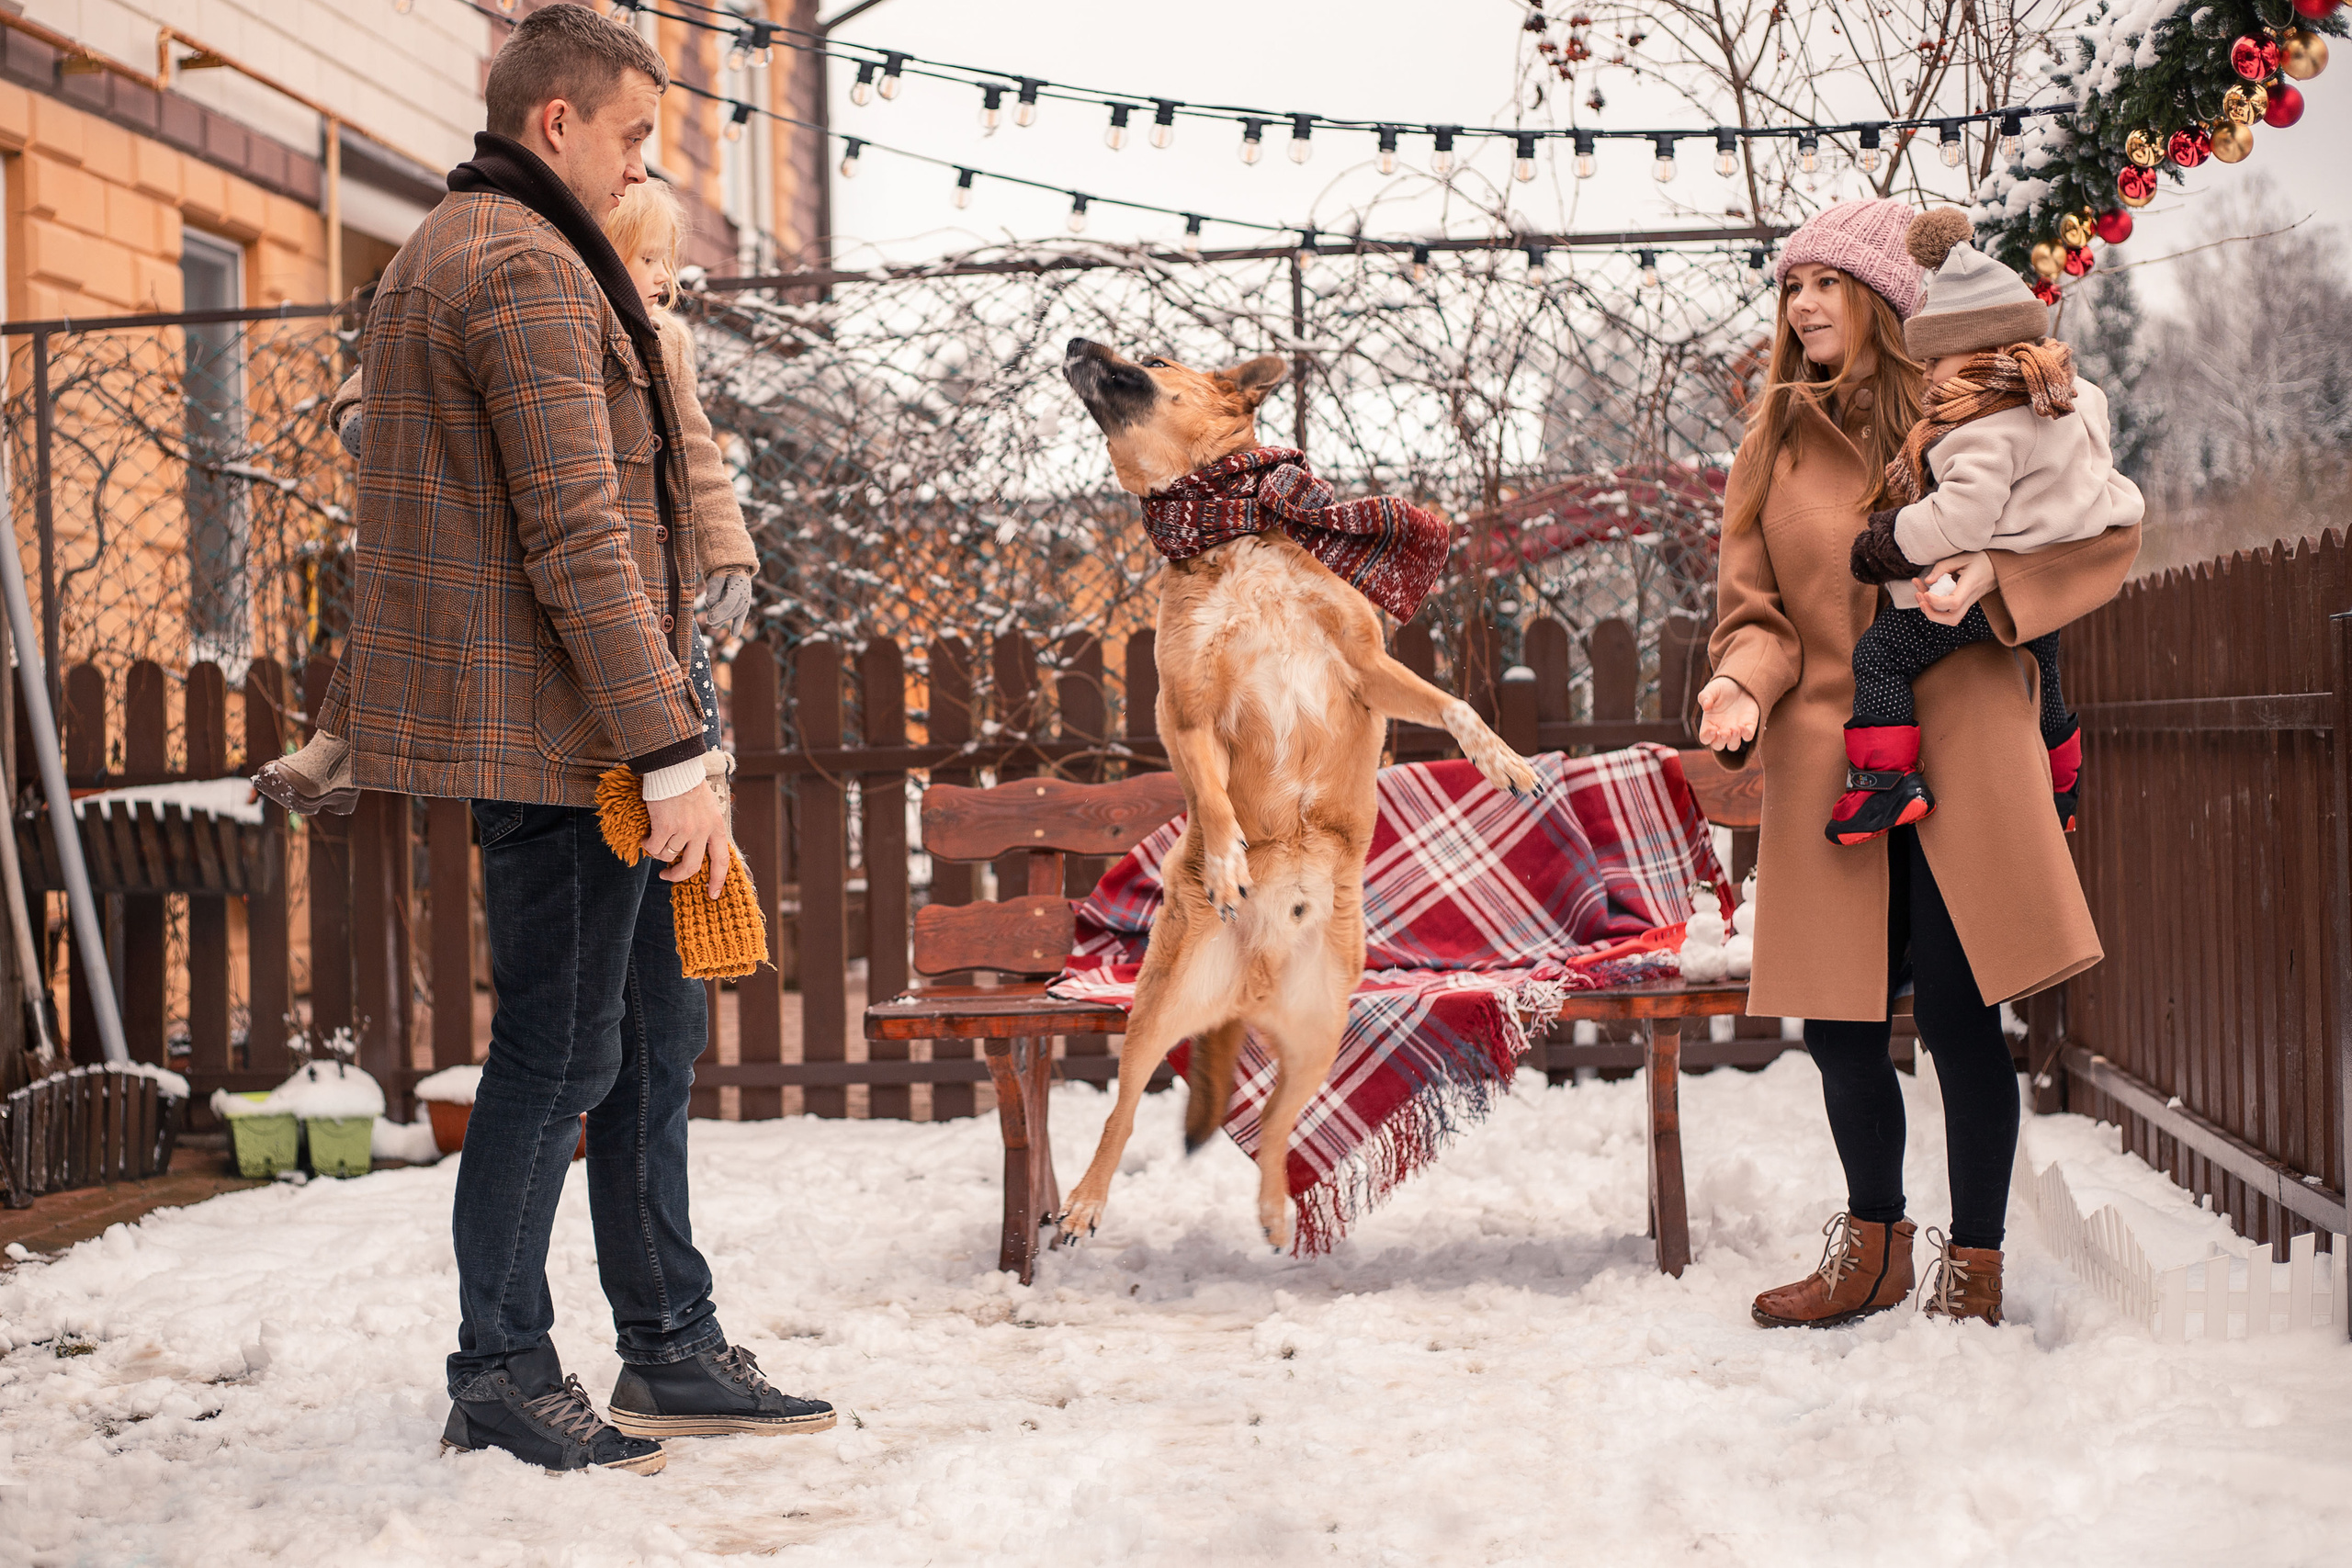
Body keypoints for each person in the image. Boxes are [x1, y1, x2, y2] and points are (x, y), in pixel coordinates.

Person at [290, 4, 830, 1474]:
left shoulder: (484, 249)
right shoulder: (519, 265)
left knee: (651, 1034)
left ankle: (665, 1338)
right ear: (556, 125)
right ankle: (504, 1367)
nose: (642, 163)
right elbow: (579, 536)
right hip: (568, 737)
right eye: (635, 135)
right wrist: (674, 752)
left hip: (581, 718)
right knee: (561, 1047)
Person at [1692, 197, 2140, 1329]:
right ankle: (1870, 1248)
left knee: (1954, 1014)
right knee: (1839, 1020)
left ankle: (1973, 1268)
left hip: (1966, 738)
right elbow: (1756, 613)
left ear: (1889, 299)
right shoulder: (1771, 448)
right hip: (1830, 760)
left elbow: (2104, 535)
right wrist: (1740, 680)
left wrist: (1993, 579)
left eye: (1825, 284)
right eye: (1790, 287)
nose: (1802, 307)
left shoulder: (1976, 408)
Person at [260, 179, 756, 812]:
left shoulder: (663, 347)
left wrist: (726, 554)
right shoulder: (534, 308)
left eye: (666, 257)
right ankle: (344, 742)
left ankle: (705, 790)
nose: (665, 275)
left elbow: (699, 455)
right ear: (599, 253)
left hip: (646, 576)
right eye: (647, 256)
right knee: (412, 589)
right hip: (538, 563)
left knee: (683, 677)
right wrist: (368, 415)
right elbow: (397, 359)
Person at [1828, 207, 2144, 844]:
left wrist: (1891, 542)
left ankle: (1884, 783)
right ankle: (2062, 790)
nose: (1929, 376)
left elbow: (1962, 515)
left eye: (1935, 360)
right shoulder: (2070, 400)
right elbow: (2110, 494)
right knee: (2047, 677)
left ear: (1974, 351)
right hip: (2043, 592)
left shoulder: (1981, 426)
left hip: (1984, 595)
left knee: (1882, 653)